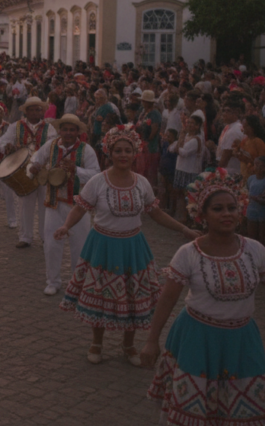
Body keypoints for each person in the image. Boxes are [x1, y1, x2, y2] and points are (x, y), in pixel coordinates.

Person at [143, 169, 265, 426]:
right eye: (218, 209)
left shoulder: (254, 250)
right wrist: (152, 340)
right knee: (196, 411)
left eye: (232, 207)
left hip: (242, 340)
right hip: (197, 339)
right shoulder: (188, 253)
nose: (227, 214)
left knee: (248, 408)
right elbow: (167, 299)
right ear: (203, 214)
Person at [55, 125, 197, 365]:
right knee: (101, 295)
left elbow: (156, 213)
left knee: (134, 295)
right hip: (102, 246)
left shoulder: (141, 183)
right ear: (109, 153)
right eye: (118, 150)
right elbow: (81, 208)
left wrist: (184, 229)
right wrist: (66, 227)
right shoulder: (98, 182)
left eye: (127, 151)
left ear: (135, 154)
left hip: (133, 246)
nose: (123, 155)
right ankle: (96, 342)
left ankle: (128, 344)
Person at [29, 114, 100, 296]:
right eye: (65, 129)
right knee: (52, 244)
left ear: (77, 132)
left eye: (72, 130)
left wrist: (76, 170)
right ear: (60, 130)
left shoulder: (87, 150)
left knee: (80, 245)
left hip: (78, 206)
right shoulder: (50, 146)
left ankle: (78, 284)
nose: (68, 133)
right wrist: (34, 167)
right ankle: (53, 282)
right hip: (53, 203)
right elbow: (36, 160)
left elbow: (95, 175)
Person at [0, 97, 55, 246]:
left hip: (43, 171)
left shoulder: (49, 128)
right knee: (24, 205)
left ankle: (44, 237)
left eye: (38, 109)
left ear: (42, 112)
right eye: (32, 109)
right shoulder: (16, 126)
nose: (36, 112)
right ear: (26, 111)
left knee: (44, 205)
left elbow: (53, 147)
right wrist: (7, 146)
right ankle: (25, 237)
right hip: (23, 172)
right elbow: (1, 141)